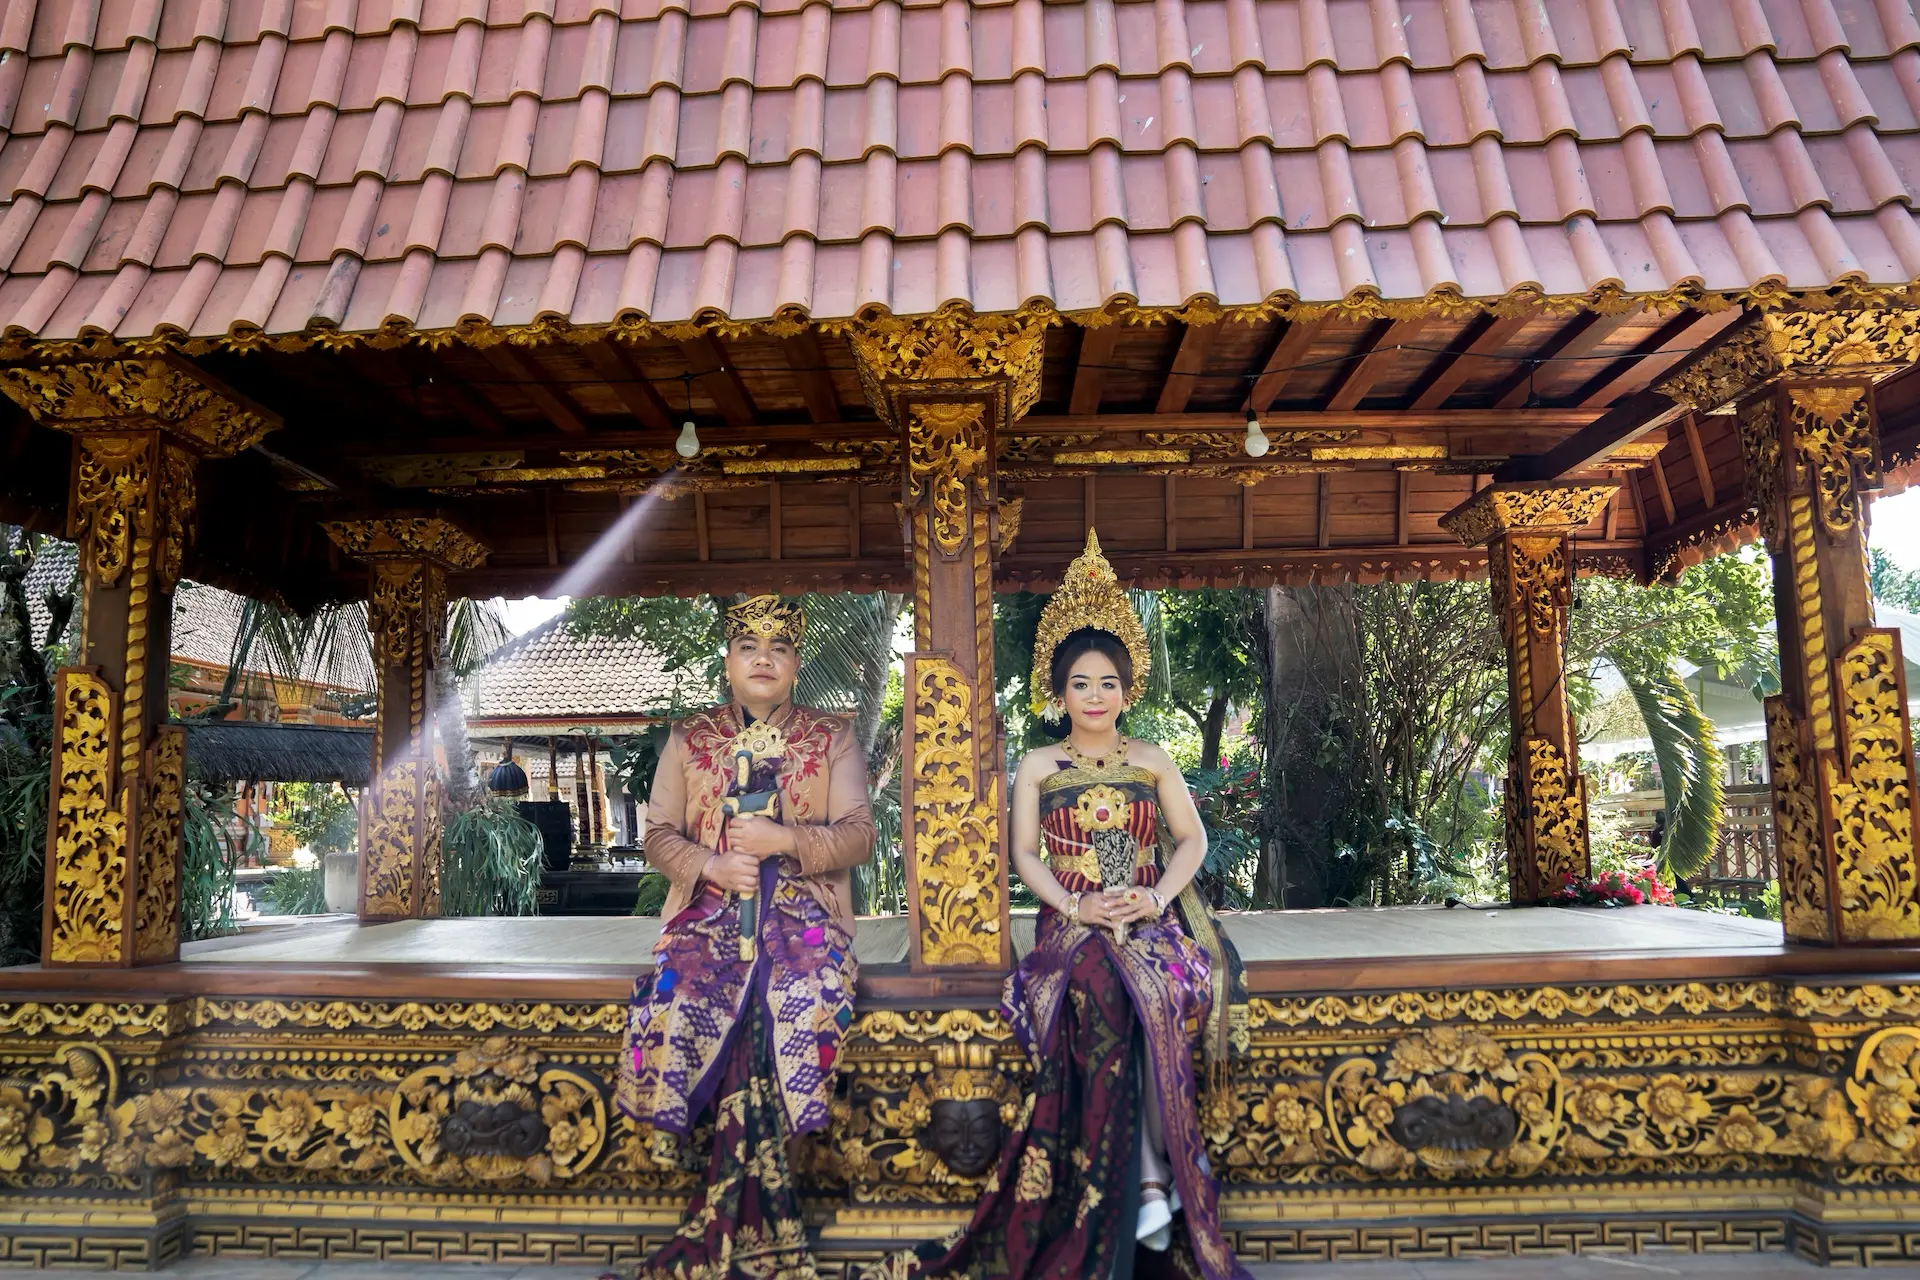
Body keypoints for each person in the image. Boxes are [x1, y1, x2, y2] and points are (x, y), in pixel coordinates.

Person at [874, 531, 1250, 1280]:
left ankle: (1155, 1171)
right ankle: (1148, 1179)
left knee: (1161, 990)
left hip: (1148, 910)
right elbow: (1024, 857)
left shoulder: (1153, 759)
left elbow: (1192, 841)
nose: (1096, 696)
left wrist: (1152, 896)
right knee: (1101, 985)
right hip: (1070, 914)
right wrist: (1079, 909)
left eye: (1108, 682)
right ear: (1059, 692)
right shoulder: (1039, 767)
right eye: (1081, 683)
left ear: (1128, 689)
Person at [616, 594, 875, 1280]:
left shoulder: (832, 736)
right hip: (707, 913)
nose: (764, 658)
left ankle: (765, 1196)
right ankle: (721, 1183)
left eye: (779, 647)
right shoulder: (689, 738)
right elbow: (657, 835)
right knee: (682, 994)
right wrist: (711, 865)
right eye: (748, 646)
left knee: (797, 994)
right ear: (728, 661)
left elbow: (859, 834)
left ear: (796, 664)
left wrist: (782, 840)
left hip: (807, 915)